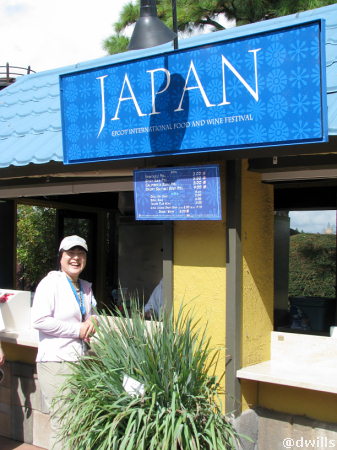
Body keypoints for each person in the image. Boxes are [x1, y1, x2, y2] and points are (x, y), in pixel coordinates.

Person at [31, 235, 97, 450]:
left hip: (79, 362)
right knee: (64, 423)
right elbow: (39, 320)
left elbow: (92, 313)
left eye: (81, 254)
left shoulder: (85, 287)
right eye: (70, 253)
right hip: (55, 363)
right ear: (61, 257)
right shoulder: (51, 283)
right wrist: (77, 330)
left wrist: (93, 320)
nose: (76, 258)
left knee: (77, 423)